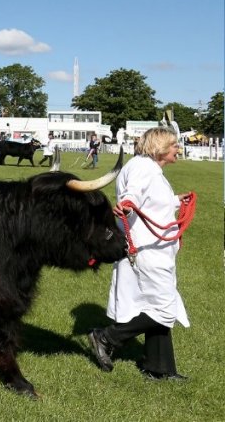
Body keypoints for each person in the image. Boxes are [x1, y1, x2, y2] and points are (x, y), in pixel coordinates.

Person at [87, 127, 192, 380]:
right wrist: (127, 203)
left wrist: (177, 200)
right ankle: (106, 336)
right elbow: (132, 194)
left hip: (155, 248)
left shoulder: (149, 168)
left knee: (157, 305)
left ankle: (159, 368)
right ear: (160, 147)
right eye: (174, 145)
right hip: (145, 250)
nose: (178, 148)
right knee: (165, 308)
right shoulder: (143, 168)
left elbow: (151, 199)